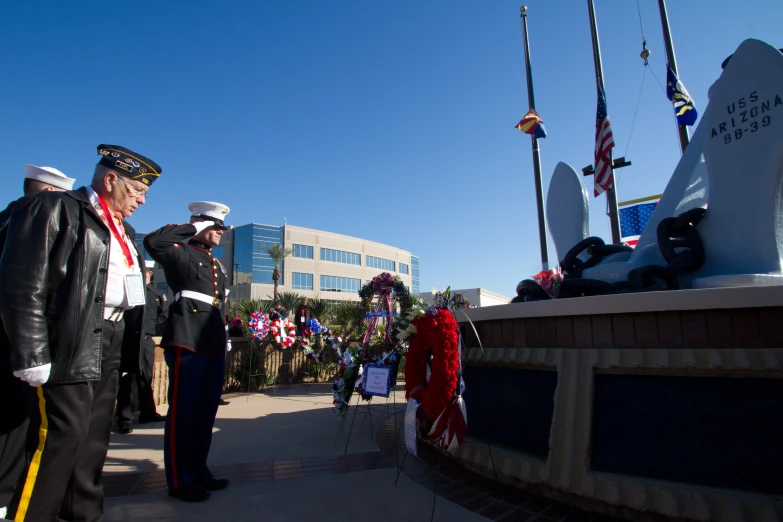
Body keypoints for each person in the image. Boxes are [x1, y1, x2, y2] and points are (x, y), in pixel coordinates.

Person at [0, 144, 160, 521]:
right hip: (68, 339)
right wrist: (32, 352)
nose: (141, 201)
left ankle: (83, 514)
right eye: (138, 191)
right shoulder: (55, 209)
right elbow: (22, 283)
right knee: (59, 439)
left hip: (110, 338)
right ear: (110, 180)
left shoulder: (124, 228)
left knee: (92, 440)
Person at [0, 164, 75, 519]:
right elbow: (25, 287)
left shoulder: (6, 217)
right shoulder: (32, 220)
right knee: (22, 422)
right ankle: (7, 495)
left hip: (13, 335)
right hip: (22, 339)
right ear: (47, 195)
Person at [144, 201, 232, 503]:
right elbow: (153, 242)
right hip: (187, 338)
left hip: (212, 341)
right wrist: (193, 227)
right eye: (215, 226)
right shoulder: (179, 252)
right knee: (183, 413)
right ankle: (180, 480)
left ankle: (199, 470)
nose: (220, 232)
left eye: (221, 227)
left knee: (205, 413)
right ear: (201, 225)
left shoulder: (215, 263)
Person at [116, 261, 169, 434]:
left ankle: (148, 413)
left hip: (146, 339)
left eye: (149, 272)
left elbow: (163, 313)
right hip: (128, 338)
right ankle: (124, 418)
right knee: (125, 379)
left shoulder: (155, 293)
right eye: (144, 271)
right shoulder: (128, 289)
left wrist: (151, 327)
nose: (147, 274)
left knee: (146, 378)